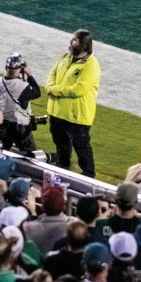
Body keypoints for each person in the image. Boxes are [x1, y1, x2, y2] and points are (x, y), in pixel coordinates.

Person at [46, 29, 100, 176]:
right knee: (60, 143)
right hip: (57, 111)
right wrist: (50, 86)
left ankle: (88, 174)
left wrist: (53, 90)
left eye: (75, 40)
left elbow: (78, 90)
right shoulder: (65, 57)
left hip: (77, 115)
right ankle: (62, 167)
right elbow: (52, 73)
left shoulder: (91, 65)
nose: (71, 42)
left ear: (84, 45)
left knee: (81, 146)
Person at [0, 53, 42, 153]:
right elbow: (37, 92)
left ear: (6, 67)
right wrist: (29, 75)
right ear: (20, 69)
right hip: (18, 127)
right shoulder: (21, 86)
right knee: (29, 156)